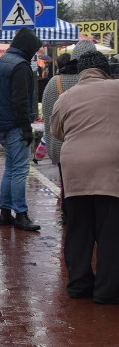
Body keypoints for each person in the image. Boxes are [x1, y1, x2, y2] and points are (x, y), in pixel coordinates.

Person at [49, 51, 119, 304]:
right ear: (105, 70)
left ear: (81, 74)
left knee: (79, 229)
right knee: (111, 231)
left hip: (75, 168)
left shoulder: (66, 97)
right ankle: (107, 290)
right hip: (111, 168)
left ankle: (79, 285)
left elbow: (56, 132)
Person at [0, 27, 42, 231]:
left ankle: (5, 213)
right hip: (16, 125)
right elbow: (21, 101)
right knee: (19, 170)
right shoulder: (20, 66)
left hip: (2, 124)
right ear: (27, 48)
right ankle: (21, 214)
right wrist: (26, 128)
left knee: (10, 169)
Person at [42, 40, 98, 221]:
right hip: (94, 146)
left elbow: (49, 118)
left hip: (64, 145)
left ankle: (70, 216)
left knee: (68, 185)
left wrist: (52, 147)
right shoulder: (101, 84)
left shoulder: (54, 83)